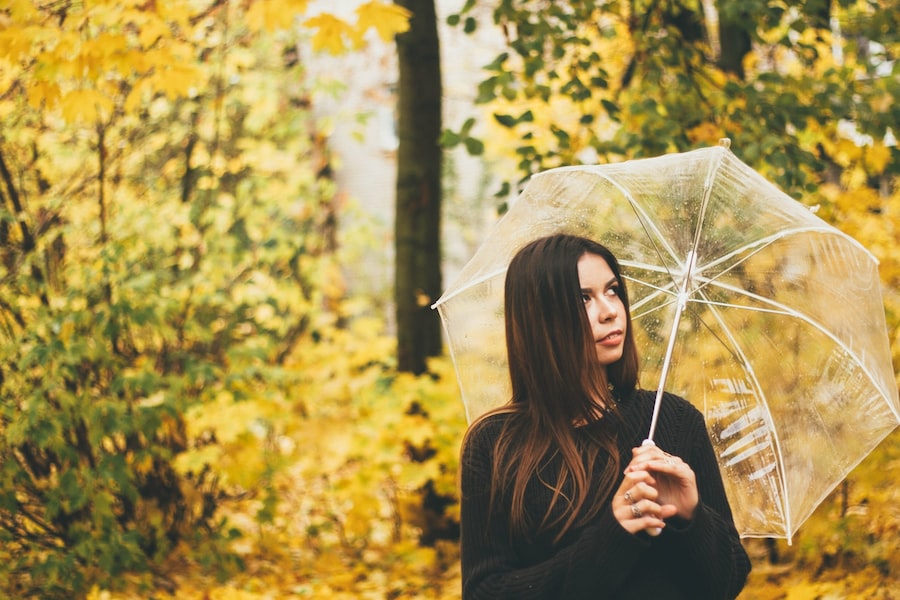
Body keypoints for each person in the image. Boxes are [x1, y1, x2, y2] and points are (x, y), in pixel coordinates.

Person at [459, 234, 751, 599]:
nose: (610, 310)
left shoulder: (673, 421)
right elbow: (485, 591)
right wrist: (614, 536)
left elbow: (728, 582)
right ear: (541, 318)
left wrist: (691, 516)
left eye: (612, 291)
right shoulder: (495, 444)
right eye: (584, 298)